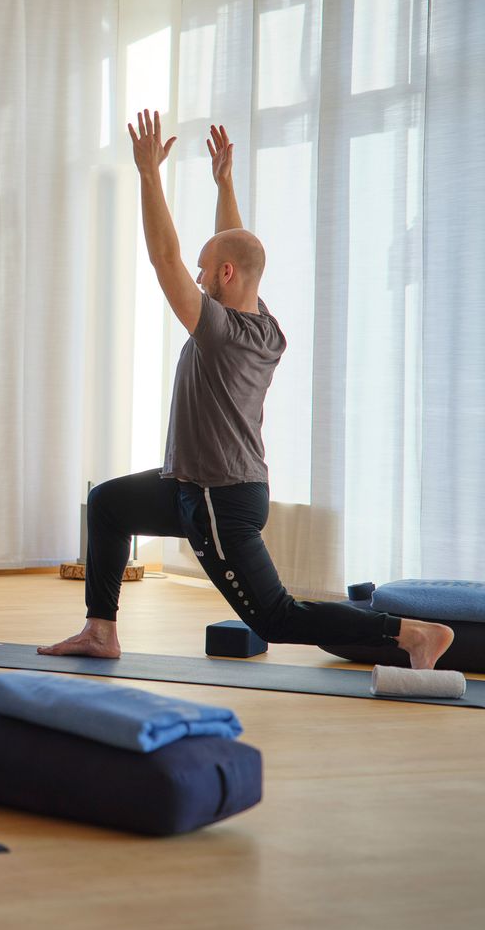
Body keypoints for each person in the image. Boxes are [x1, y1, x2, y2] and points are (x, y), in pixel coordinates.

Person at [40, 112, 454, 670]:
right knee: (110, 503)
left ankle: (409, 634)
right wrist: (224, 186)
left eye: (204, 270)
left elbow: (164, 260)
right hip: (197, 486)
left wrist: (147, 176)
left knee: (275, 618)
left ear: (225, 276)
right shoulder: (263, 323)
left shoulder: (222, 333)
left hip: (219, 498)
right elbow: (235, 250)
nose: (196, 277)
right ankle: (100, 629)